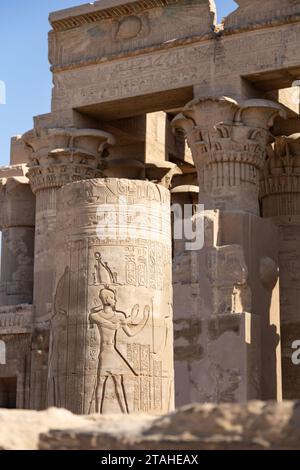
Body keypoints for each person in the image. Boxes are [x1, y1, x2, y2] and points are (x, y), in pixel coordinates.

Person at [90, 287, 150, 413]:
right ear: (106, 299)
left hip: (112, 352)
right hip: (104, 353)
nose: (115, 300)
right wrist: (126, 320)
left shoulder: (118, 316)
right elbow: (109, 324)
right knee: (100, 383)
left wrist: (144, 319)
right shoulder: (97, 316)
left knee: (118, 383)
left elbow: (131, 333)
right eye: (112, 297)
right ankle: (98, 412)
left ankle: (125, 412)